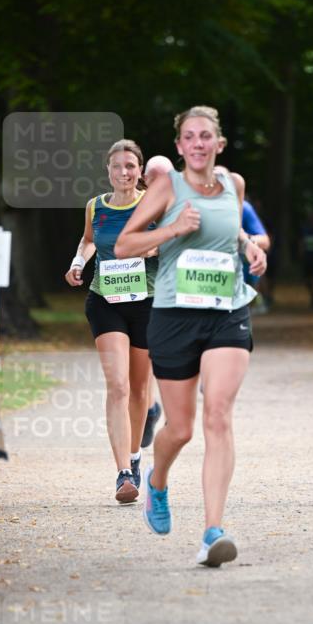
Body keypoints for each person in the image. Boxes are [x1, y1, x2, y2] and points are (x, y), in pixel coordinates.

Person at [115, 105, 266, 568]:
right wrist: (174, 228)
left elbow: (234, 230)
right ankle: (157, 481)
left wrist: (248, 248)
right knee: (179, 429)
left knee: (218, 413)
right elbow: (123, 244)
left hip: (227, 311)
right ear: (180, 146)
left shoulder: (233, 185)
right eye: (189, 137)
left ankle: (212, 531)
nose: (198, 143)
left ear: (218, 144)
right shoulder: (166, 186)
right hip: (175, 316)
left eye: (206, 136)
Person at [65, 139, 157, 502]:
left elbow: (173, 241)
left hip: (147, 303)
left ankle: (135, 456)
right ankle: (122, 474)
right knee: (117, 386)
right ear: (108, 170)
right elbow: (89, 241)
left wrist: (152, 247)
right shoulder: (95, 206)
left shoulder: (152, 204)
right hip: (106, 300)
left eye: (130, 166)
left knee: (138, 390)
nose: (124, 172)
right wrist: (78, 262)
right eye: (117, 166)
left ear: (140, 170)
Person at [140, 155, 177, 446]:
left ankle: (168, 412)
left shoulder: (182, 206)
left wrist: (154, 249)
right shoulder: (136, 206)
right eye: (151, 178)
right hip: (143, 291)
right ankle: (151, 408)